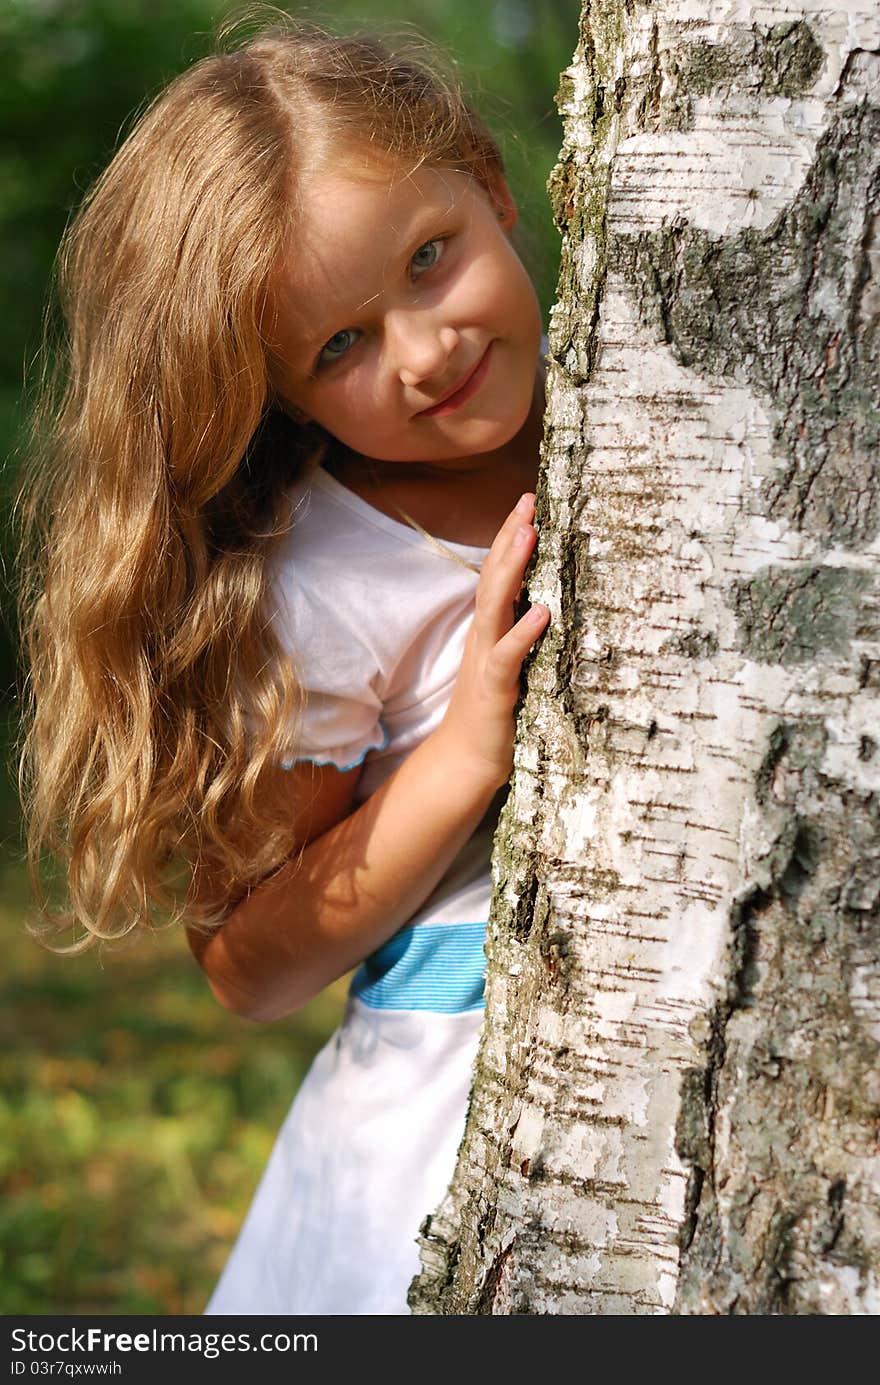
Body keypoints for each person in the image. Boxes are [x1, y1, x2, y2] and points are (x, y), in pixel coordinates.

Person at [20, 17, 550, 1314]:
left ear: (489, 183)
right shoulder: (329, 585)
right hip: (442, 1150)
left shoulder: (653, 403)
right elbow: (245, 961)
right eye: (339, 348)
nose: (425, 352)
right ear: (282, 399)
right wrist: (462, 756)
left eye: (432, 259)